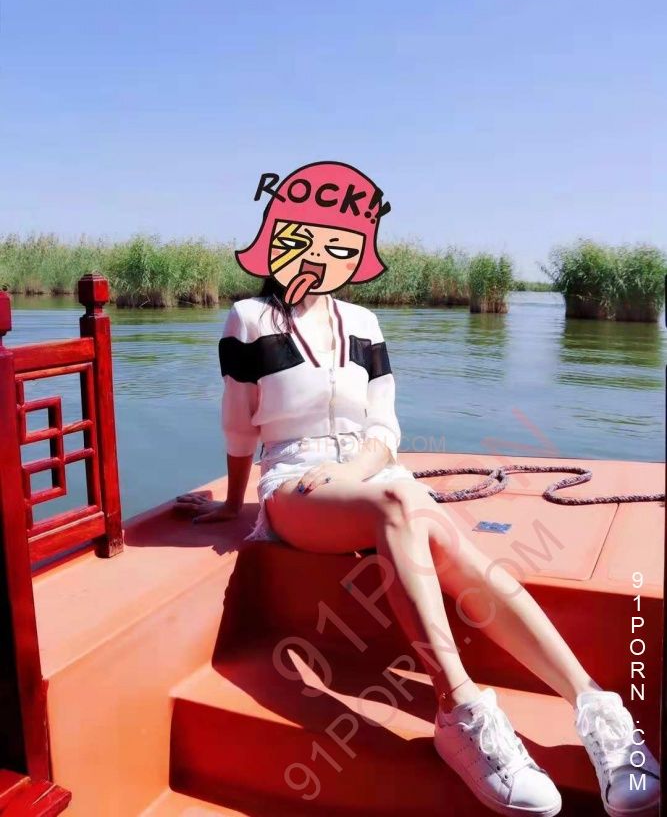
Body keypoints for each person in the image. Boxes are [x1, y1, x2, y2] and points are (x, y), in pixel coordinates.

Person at [175, 162, 660, 817]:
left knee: (449, 543)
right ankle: (459, 707)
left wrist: (356, 471)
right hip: (295, 486)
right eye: (304, 238)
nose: (319, 255)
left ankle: (595, 705)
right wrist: (235, 505)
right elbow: (239, 425)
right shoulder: (249, 319)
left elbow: (384, 427)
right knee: (405, 504)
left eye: (339, 243)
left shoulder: (364, 323)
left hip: (371, 476)